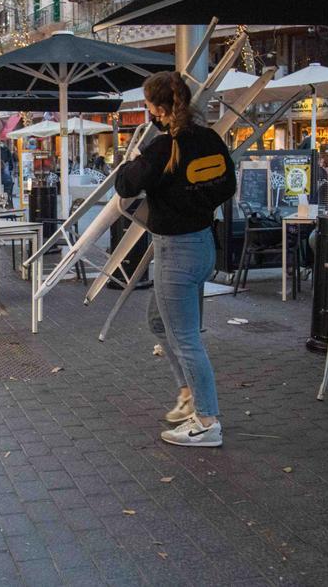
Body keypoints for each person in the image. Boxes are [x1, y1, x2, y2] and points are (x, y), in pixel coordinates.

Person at [115, 71, 236, 448]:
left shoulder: (162, 150)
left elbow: (125, 184)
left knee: (186, 340)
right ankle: (188, 394)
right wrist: (194, 202)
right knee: (158, 322)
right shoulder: (210, 139)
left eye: (149, 106)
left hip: (175, 251)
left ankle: (206, 421)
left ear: (160, 109)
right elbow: (227, 185)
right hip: (202, 244)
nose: (147, 112)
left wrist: (133, 159)